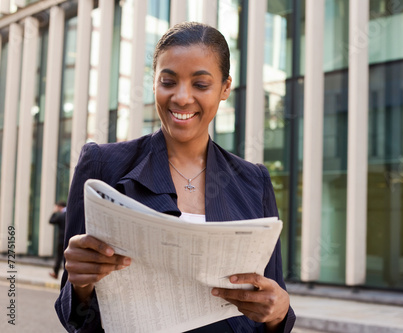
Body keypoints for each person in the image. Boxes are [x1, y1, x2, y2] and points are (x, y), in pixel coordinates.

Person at [55, 22, 295, 333]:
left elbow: (271, 297)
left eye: (200, 84)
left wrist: (279, 312)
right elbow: (74, 316)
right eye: (168, 81)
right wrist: (80, 285)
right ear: (153, 84)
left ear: (225, 89)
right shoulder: (102, 165)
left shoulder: (254, 181)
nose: (181, 98)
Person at [49, 201, 66, 279]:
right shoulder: (70, 214)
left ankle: (56, 273)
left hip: (61, 240)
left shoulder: (61, 215)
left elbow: (51, 221)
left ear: (59, 207)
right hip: (69, 239)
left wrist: (54, 212)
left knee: (59, 257)